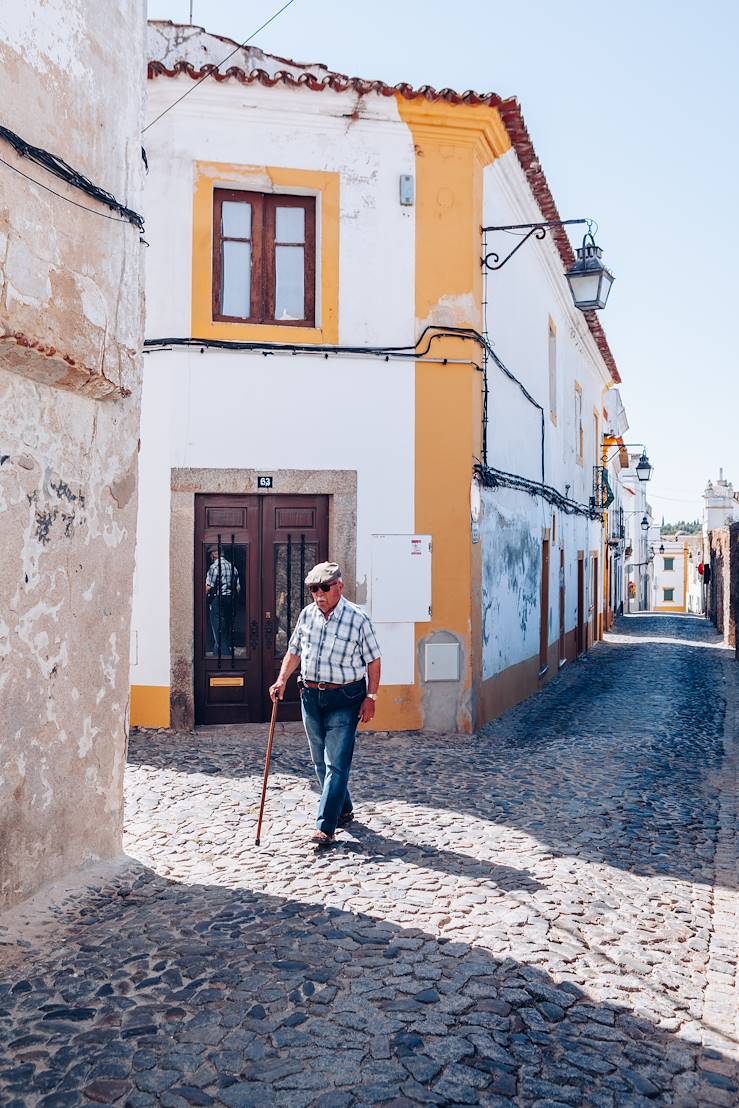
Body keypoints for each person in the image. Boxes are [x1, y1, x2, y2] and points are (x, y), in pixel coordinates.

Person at [269, 561, 381, 850]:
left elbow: (374, 660)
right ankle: (343, 808)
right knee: (320, 759)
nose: (319, 594)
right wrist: (281, 680)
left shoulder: (358, 618)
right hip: (310, 695)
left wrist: (371, 697)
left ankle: (325, 826)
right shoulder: (307, 616)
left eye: (324, 588)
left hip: (345, 697)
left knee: (337, 761)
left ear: (339, 587)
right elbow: (294, 652)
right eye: (313, 589)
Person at [205, 546, 240, 657]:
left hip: (218, 599)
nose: (210, 557)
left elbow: (209, 587)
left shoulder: (214, 567)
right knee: (225, 629)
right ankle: (217, 656)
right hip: (230, 599)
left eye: (211, 554)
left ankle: (225, 657)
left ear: (214, 554)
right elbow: (238, 588)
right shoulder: (232, 567)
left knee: (217, 630)